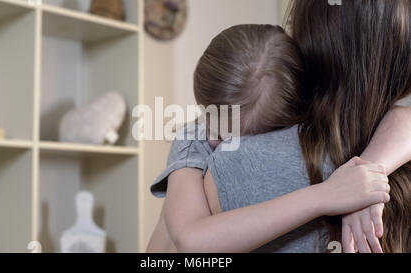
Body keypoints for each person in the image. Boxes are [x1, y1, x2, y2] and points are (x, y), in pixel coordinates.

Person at [145, 21, 406, 252]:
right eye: (219, 131)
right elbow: (191, 241)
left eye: (234, 138)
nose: (216, 143)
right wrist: (324, 195)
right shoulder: (193, 140)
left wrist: (369, 173)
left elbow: (404, 117)